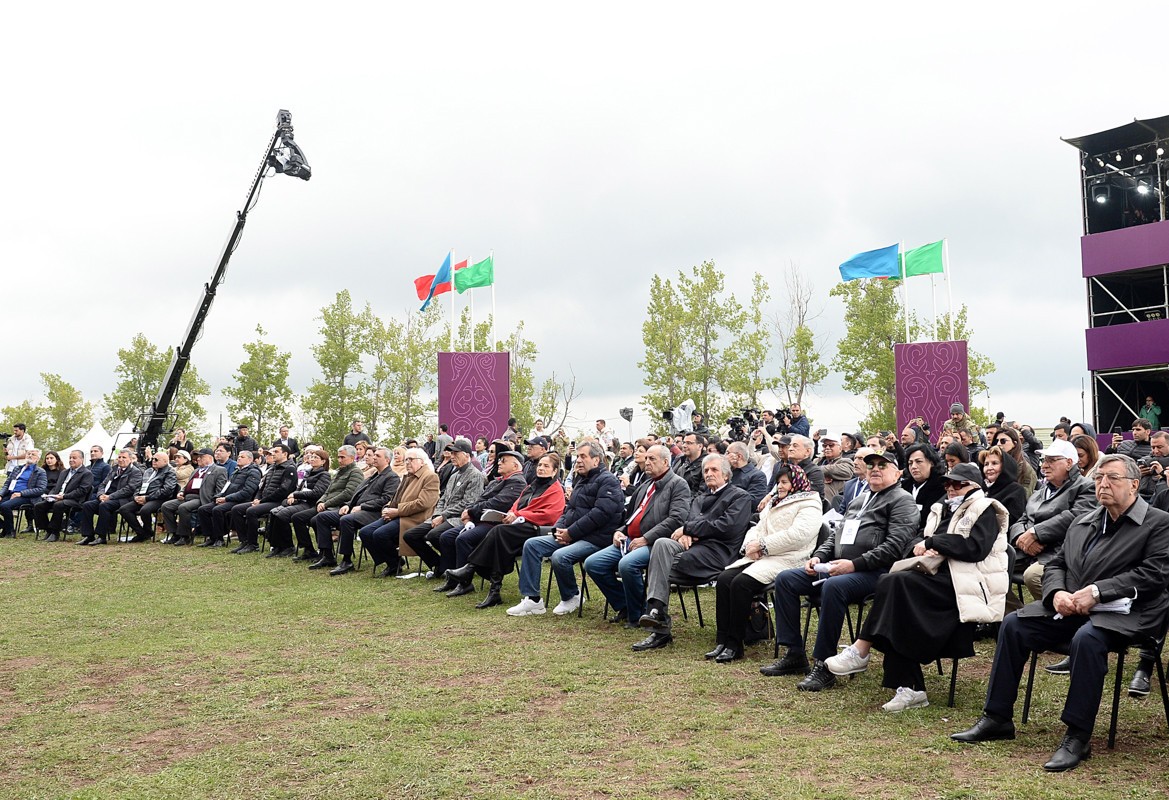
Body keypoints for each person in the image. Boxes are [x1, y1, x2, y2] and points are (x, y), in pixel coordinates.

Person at [951, 454, 1169, 771]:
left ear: (1134, 485)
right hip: (1074, 606)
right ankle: (996, 717)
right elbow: (1057, 565)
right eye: (1098, 478)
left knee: (1087, 639)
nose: (1103, 484)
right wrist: (1056, 593)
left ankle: (1077, 737)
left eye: (1113, 478)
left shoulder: (1158, 523)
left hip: (1129, 612)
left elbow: (1154, 575)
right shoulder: (1084, 520)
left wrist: (1097, 592)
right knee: (1013, 624)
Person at [825, 463, 1010, 711]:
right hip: (936, 579)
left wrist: (936, 542)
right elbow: (918, 537)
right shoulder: (942, 508)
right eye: (947, 483)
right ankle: (909, 687)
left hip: (964, 586)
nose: (951, 488)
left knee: (896, 585)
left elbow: (975, 548)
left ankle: (865, 651)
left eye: (958, 484)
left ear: (974, 487)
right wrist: (921, 544)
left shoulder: (984, 508)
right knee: (895, 594)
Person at [760, 451, 919, 689]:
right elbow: (836, 534)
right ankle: (794, 653)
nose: (875, 468)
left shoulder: (901, 500)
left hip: (876, 572)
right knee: (786, 579)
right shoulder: (859, 499)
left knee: (834, 587)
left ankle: (824, 665)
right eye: (871, 465)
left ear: (897, 473)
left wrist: (854, 564)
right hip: (839, 566)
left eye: (882, 465)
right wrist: (819, 557)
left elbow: (895, 546)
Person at [634, 454, 752, 651]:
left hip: (718, 551)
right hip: (693, 547)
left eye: (714, 470)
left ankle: (659, 628)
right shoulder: (700, 497)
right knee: (662, 544)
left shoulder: (739, 496)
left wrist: (690, 530)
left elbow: (727, 526)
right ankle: (657, 612)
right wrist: (688, 531)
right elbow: (688, 521)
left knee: (657, 568)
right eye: (706, 471)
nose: (708, 474)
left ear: (726, 474)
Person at [709, 464, 821, 663]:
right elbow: (757, 527)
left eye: (785, 482)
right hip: (763, 554)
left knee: (741, 583)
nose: (780, 486)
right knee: (724, 578)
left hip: (789, 557)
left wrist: (762, 545)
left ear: (796, 482)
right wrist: (750, 545)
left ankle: (735, 644)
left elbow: (799, 535)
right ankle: (722, 639)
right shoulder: (775, 502)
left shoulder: (810, 502)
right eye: (778, 482)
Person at [506, 441, 624, 617]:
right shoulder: (582, 480)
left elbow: (600, 514)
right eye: (577, 456)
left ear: (596, 460)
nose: (578, 460)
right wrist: (558, 529)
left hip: (596, 538)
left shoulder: (608, 481)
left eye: (583, 456)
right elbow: (568, 510)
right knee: (532, 545)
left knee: (560, 556)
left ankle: (572, 596)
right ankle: (533, 600)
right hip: (573, 535)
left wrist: (571, 533)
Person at [583, 445, 691, 628]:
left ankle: (638, 614)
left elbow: (676, 519)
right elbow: (630, 516)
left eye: (652, 459)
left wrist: (646, 538)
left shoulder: (678, 484)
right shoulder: (645, 485)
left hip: (655, 543)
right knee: (593, 564)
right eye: (646, 458)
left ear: (666, 462)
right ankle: (625, 605)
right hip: (630, 541)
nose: (646, 462)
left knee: (627, 565)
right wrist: (620, 531)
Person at [452, 453, 567, 608]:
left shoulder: (556, 489)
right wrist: (512, 514)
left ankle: (472, 568)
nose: (541, 468)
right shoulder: (531, 485)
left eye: (546, 466)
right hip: (518, 527)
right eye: (540, 465)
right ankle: (494, 591)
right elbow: (517, 504)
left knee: (499, 532)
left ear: (554, 471)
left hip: (536, 529)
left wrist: (518, 515)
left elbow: (550, 515)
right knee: (500, 539)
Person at [1012, 439, 1097, 603]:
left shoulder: (1086, 486)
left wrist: (1035, 533)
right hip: (1026, 552)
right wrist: (1022, 539)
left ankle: (1059, 619)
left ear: (1069, 463)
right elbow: (1022, 519)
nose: (1044, 465)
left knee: (1033, 576)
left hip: (1057, 552)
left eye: (1052, 460)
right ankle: (1013, 616)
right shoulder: (1041, 490)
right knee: (988, 568)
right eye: (1044, 460)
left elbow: (1076, 517)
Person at [434, 447, 527, 595]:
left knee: (463, 539)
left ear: (515, 466)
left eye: (503, 461)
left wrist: (470, 511)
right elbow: (480, 499)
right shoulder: (498, 481)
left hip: (495, 524)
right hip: (480, 520)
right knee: (446, 537)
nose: (499, 463)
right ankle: (452, 578)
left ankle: (464, 583)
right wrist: (469, 511)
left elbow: (497, 503)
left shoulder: (517, 482)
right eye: (499, 460)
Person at [400, 440, 486, 581]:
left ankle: (448, 567)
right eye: (451, 453)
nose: (452, 456)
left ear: (466, 455)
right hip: (443, 516)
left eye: (455, 453)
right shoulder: (454, 474)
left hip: (459, 518)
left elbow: (469, 503)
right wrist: (438, 514)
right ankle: (438, 564)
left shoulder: (475, 475)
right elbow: (443, 498)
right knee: (410, 535)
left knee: (434, 535)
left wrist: (444, 515)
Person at [357, 447, 440, 576]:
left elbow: (423, 503)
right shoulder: (408, 476)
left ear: (422, 461)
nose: (407, 462)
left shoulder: (430, 477)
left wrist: (397, 511)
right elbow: (396, 498)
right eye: (406, 460)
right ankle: (394, 561)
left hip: (414, 518)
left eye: (411, 459)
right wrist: (387, 508)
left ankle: (393, 565)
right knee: (365, 532)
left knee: (380, 534)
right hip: (398, 514)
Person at [316, 447, 400, 574]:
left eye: (378, 456)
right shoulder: (374, 475)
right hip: (357, 511)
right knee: (322, 517)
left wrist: (362, 507)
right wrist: (348, 505)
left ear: (387, 460)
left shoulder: (391, 477)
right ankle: (327, 556)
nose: (374, 457)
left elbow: (386, 499)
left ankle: (347, 560)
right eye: (374, 455)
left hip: (374, 513)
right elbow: (358, 495)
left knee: (346, 520)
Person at [301, 446, 365, 566]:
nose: (339, 460)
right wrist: (320, 502)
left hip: (342, 507)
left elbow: (348, 493)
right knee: (310, 518)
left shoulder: (355, 472)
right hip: (329, 505)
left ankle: (328, 555)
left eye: (342, 457)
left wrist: (326, 504)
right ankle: (325, 553)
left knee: (317, 518)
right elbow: (327, 491)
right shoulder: (340, 472)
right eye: (338, 457)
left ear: (352, 458)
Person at [266, 448, 331, 558]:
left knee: (283, 515)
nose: (312, 459)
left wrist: (296, 495)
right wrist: (294, 495)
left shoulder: (324, 475)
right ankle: (277, 546)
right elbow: (300, 488)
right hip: (301, 502)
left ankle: (289, 546)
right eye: (311, 457)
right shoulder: (308, 473)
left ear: (323, 461)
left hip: (311, 504)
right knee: (274, 512)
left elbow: (317, 493)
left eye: (316, 457)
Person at [237, 443, 299, 556]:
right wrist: (257, 498)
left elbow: (283, 491)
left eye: (276, 452)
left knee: (252, 511)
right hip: (264, 500)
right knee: (237, 509)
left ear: (285, 454)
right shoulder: (271, 468)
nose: (272, 454)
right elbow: (261, 487)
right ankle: (245, 541)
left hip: (278, 501)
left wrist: (262, 501)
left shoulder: (290, 469)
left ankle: (253, 544)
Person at [159, 448, 226, 547]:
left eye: (201, 457)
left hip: (201, 498)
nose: (198, 459)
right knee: (166, 506)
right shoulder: (196, 471)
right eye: (198, 457)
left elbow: (220, 489)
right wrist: (181, 492)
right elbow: (187, 485)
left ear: (210, 458)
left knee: (184, 507)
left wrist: (215, 499)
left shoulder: (219, 470)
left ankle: (185, 536)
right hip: (187, 497)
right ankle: (175, 534)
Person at [198, 450, 262, 548]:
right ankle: (211, 537)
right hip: (228, 499)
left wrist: (226, 499)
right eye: (239, 456)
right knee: (203, 509)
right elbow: (226, 487)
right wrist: (218, 497)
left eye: (242, 457)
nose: (239, 458)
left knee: (217, 510)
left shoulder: (254, 472)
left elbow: (247, 492)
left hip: (241, 500)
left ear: (250, 459)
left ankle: (220, 539)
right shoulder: (236, 471)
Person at [115, 450, 176, 543]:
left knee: (145, 510)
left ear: (165, 461)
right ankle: (141, 533)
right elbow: (139, 485)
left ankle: (147, 531)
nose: (153, 461)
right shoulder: (148, 471)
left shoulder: (169, 472)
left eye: (156, 459)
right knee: (124, 509)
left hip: (159, 499)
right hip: (142, 497)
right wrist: (136, 496)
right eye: (152, 459)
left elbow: (167, 490)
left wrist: (147, 498)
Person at [0, 449, 47, 537]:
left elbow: (41, 489)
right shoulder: (17, 468)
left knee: (4, 506)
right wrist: (1, 494)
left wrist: (21, 493)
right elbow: (7, 484)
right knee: (3, 503)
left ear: (37, 459)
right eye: (28, 454)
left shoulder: (40, 472)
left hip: (26, 496)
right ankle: (4, 526)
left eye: (33, 454)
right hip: (10, 494)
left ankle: (10, 532)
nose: (30, 456)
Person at [902, 444, 947, 533]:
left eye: (918, 461)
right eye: (910, 463)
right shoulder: (903, 486)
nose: (913, 466)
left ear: (931, 463)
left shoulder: (942, 487)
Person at [979, 446, 1027, 526]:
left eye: (994, 463)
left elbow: (1013, 522)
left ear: (1004, 466)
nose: (989, 468)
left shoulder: (1016, 490)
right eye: (986, 464)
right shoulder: (980, 489)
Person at [816, 433, 854, 509]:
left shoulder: (846, 461)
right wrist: (822, 477)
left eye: (831, 445)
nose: (827, 447)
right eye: (824, 445)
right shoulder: (816, 461)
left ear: (840, 448)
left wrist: (817, 472)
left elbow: (847, 473)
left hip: (832, 504)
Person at [994, 427, 1037, 495]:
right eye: (996, 441)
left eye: (1003, 441)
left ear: (1014, 443)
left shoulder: (1024, 467)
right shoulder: (992, 464)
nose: (998, 444)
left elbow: (1024, 496)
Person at [726, 441, 768, 507]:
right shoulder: (727, 472)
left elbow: (753, 502)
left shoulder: (757, 476)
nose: (725, 456)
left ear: (738, 456)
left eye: (728, 453)